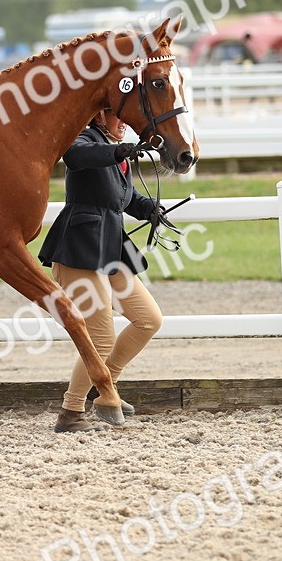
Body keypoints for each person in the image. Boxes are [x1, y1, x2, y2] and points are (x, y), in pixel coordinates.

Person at [38, 107, 166, 433]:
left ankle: (106, 388)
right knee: (101, 337)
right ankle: (71, 411)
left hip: (110, 249)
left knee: (148, 319)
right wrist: (117, 152)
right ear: (98, 116)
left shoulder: (115, 150)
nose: (123, 123)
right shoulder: (85, 138)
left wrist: (149, 209)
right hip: (80, 248)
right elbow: (75, 155)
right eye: (116, 116)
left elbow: (124, 197)